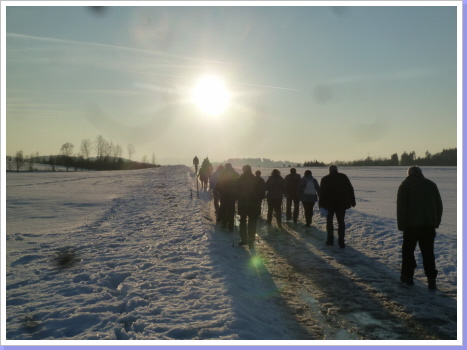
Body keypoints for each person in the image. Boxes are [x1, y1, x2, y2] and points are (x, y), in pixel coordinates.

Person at [397, 166, 443, 289]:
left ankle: (408, 277)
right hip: (428, 226)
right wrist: (436, 222)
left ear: (409, 174)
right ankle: (431, 280)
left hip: (410, 227)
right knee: (428, 253)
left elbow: (401, 207)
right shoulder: (431, 185)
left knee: (408, 252)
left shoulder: (405, 185)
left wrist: (402, 225)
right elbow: (439, 205)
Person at [319, 165, 356, 248]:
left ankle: (330, 240)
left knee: (329, 222)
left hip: (329, 205)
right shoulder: (343, 177)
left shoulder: (325, 179)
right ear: (337, 170)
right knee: (341, 222)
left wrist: (321, 205)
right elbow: (350, 189)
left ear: (329, 170)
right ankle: (341, 241)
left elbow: (322, 193)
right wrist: (352, 201)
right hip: (341, 204)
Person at [236, 165, 266, 249]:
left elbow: (235, 191)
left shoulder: (240, 179)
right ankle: (251, 239)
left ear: (243, 170)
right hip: (254, 204)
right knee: (252, 221)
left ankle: (244, 239)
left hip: (243, 204)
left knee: (242, 221)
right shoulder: (258, 179)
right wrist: (259, 198)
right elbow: (263, 191)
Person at [214, 163, 239, 231]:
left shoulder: (223, 174)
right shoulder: (235, 174)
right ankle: (231, 225)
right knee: (231, 209)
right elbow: (238, 184)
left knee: (223, 208)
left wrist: (215, 191)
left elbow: (218, 184)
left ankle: (224, 223)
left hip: (224, 195)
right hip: (232, 195)